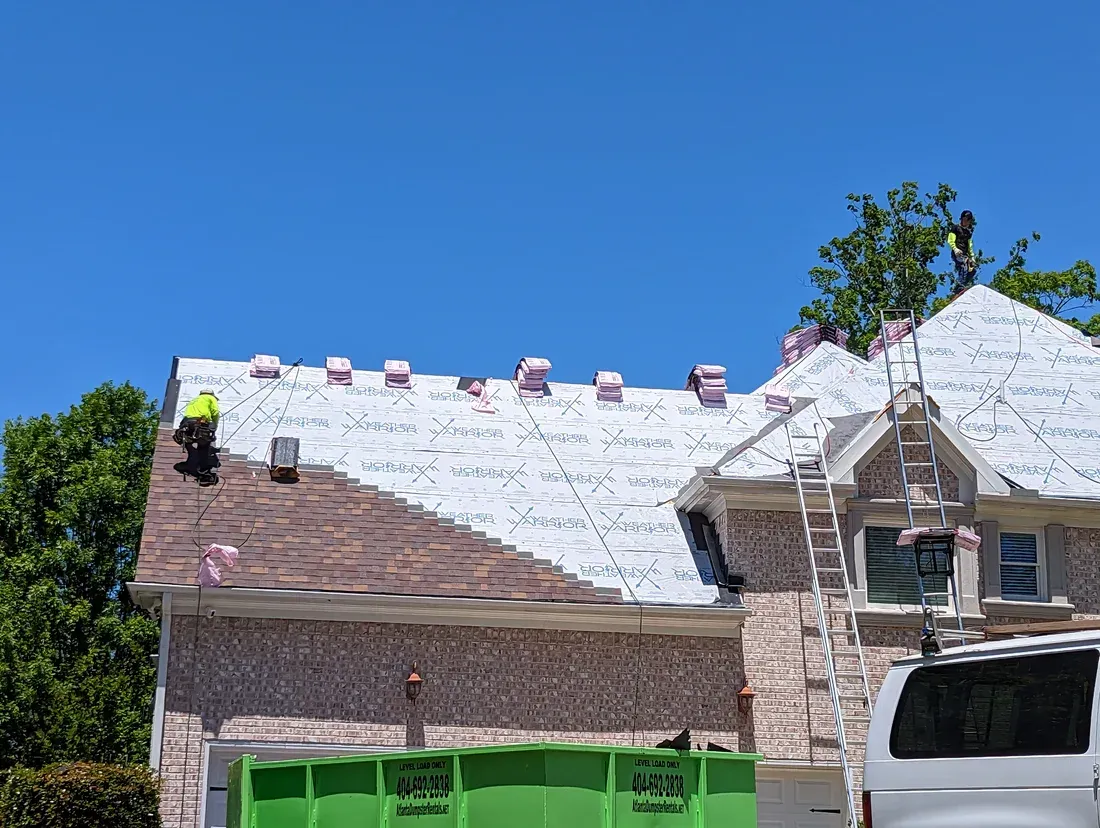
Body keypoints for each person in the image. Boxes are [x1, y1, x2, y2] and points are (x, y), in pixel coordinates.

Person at [173, 389, 221, 485]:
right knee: (203, 446)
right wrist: (214, 426)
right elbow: (215, 412)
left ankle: (189, 464)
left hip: (186, 424)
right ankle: (203, 471)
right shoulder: (210, 398)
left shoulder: (194, 400)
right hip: (199, 423)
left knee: (189, 442)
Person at [948, 210, 977, 294]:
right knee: (964, 264)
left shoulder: (968, 232)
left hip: (965, 254)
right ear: (961, 219)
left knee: (972, 270)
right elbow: (950, 240)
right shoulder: (955, 228)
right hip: (957, 252)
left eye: (968, 220)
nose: (966, 221)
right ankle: (959, 285)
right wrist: (955, 249)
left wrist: (972, 257)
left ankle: (963, 283)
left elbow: (969, 245)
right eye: (964, 219)